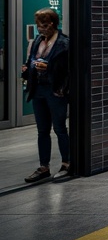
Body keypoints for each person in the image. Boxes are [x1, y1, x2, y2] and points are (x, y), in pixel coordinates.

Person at [22, 9, 71, 183]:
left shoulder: (64, 43)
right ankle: (44, 167)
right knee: (42, 130)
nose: (40, 29)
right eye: (38, 26)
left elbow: (68, 71)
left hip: (55, 90)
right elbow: (31, 60)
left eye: (42, 26)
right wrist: (27, 69)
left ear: (52, 24)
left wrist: (48, 68)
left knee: (59, 128)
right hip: (39, 90)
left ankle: (67, 163)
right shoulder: (37, 41)